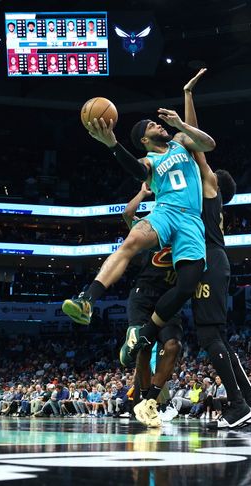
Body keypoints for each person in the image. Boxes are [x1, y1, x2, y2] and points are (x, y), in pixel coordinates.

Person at [62, 89, 216, 364]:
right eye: (152, 125)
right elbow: (136, 170)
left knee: (187, 285)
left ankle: (144, 332)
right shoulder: (149, 160)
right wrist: (112, 145)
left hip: (192, 220)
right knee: (129, 245)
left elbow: (208, 144)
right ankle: (87, 299)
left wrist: (181, 122)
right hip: (166, 211)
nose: (158, 124)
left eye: (157, 122)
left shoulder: (181, 141)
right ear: (145, 139)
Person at [183, 69, 251, 428]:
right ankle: (250, 400)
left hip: (211, 264)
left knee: (208, 335)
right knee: (216, 336)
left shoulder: (210, 189)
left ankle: (236, 406)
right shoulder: (212, 202)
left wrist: (188, 95)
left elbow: (199, 144)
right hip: (215, 262)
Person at [116, 182, 183, 429]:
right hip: (144, 293)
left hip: (170, 295)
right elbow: (126, 214)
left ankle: (150, 401)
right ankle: (146, 400)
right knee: (143, 348)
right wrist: (143, 193)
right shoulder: (151, 227)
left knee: (173, 345)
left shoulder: (188, 231)